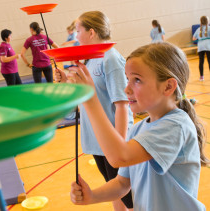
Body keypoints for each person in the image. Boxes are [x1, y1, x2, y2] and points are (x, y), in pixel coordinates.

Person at [68, 42, 208, 210]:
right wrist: (92, 196)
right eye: (128, 79)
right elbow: (122, 183)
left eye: (137, 80)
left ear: (168, 86)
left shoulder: (176, 126)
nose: (126, 89)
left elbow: (119, 157)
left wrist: (90, 99)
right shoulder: (137, 129)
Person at [55, 11, 134, 211]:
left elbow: (122, 104)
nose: (75, 37)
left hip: (113, 141)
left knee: (129, 197)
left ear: (91, 32)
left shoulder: (111, 59)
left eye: (78, 31)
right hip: (97, 140)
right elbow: (87, 96)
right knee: (112, 187)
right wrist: (66, 80)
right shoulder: (90, 59)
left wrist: (119, 144)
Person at [193, 16, 210, 81]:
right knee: (209, 61)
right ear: (207, 21)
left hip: (201, 47)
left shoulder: (198, 29)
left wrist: (199, 37)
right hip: (208, 47)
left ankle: (201, 77)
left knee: (201, 62)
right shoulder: (209, 28)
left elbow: (194, 38)